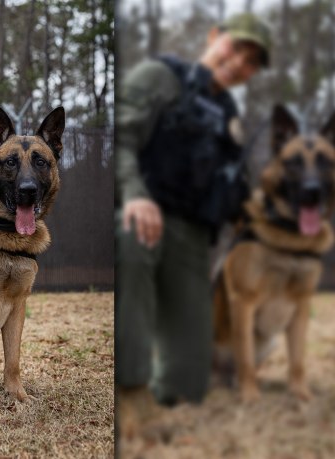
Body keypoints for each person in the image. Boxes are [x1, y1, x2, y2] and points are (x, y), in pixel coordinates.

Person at [115, 13, 271, 435]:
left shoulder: (228, 116)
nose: (240, 63)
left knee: (189, 383)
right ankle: (129, 390)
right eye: (236, 48)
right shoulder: (160, 77)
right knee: (130, 243)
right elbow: (122, 138)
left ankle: (167, 396)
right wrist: (134, 194)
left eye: (252, 61)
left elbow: (232, 189)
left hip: (194, 234)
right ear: (214, 37)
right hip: (142, 213)